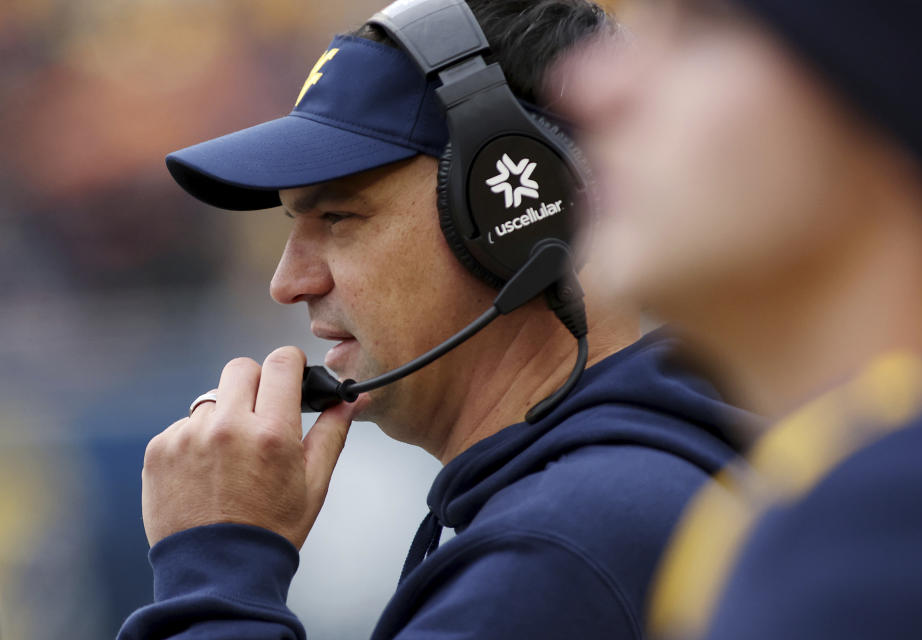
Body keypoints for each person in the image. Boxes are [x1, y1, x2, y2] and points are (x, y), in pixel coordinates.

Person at [117, 1, 751, 638]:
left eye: (338, 218)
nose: (289, 283)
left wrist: (215, 571)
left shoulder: (560, 549)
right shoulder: (609, 502)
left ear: (517, 218)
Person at [556, 0, 922, 638]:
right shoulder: (832, 498)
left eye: (703, 28)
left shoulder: (889, 533)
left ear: (903, 90)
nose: (589, 87)